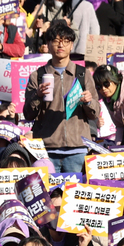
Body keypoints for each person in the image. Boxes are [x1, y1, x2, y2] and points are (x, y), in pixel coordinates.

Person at [22, 21, 99, 174]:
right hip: (47, 149)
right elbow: (28, 114)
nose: (60, 45)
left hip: (77, 149)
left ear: (72, 45)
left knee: (73, 194)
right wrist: (37, 96)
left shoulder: (82, 74)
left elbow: (95, 113)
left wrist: (88, 101)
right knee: (49, 194)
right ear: (48, 45)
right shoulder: (38, 75)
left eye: (66, 41)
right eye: (56, 40)